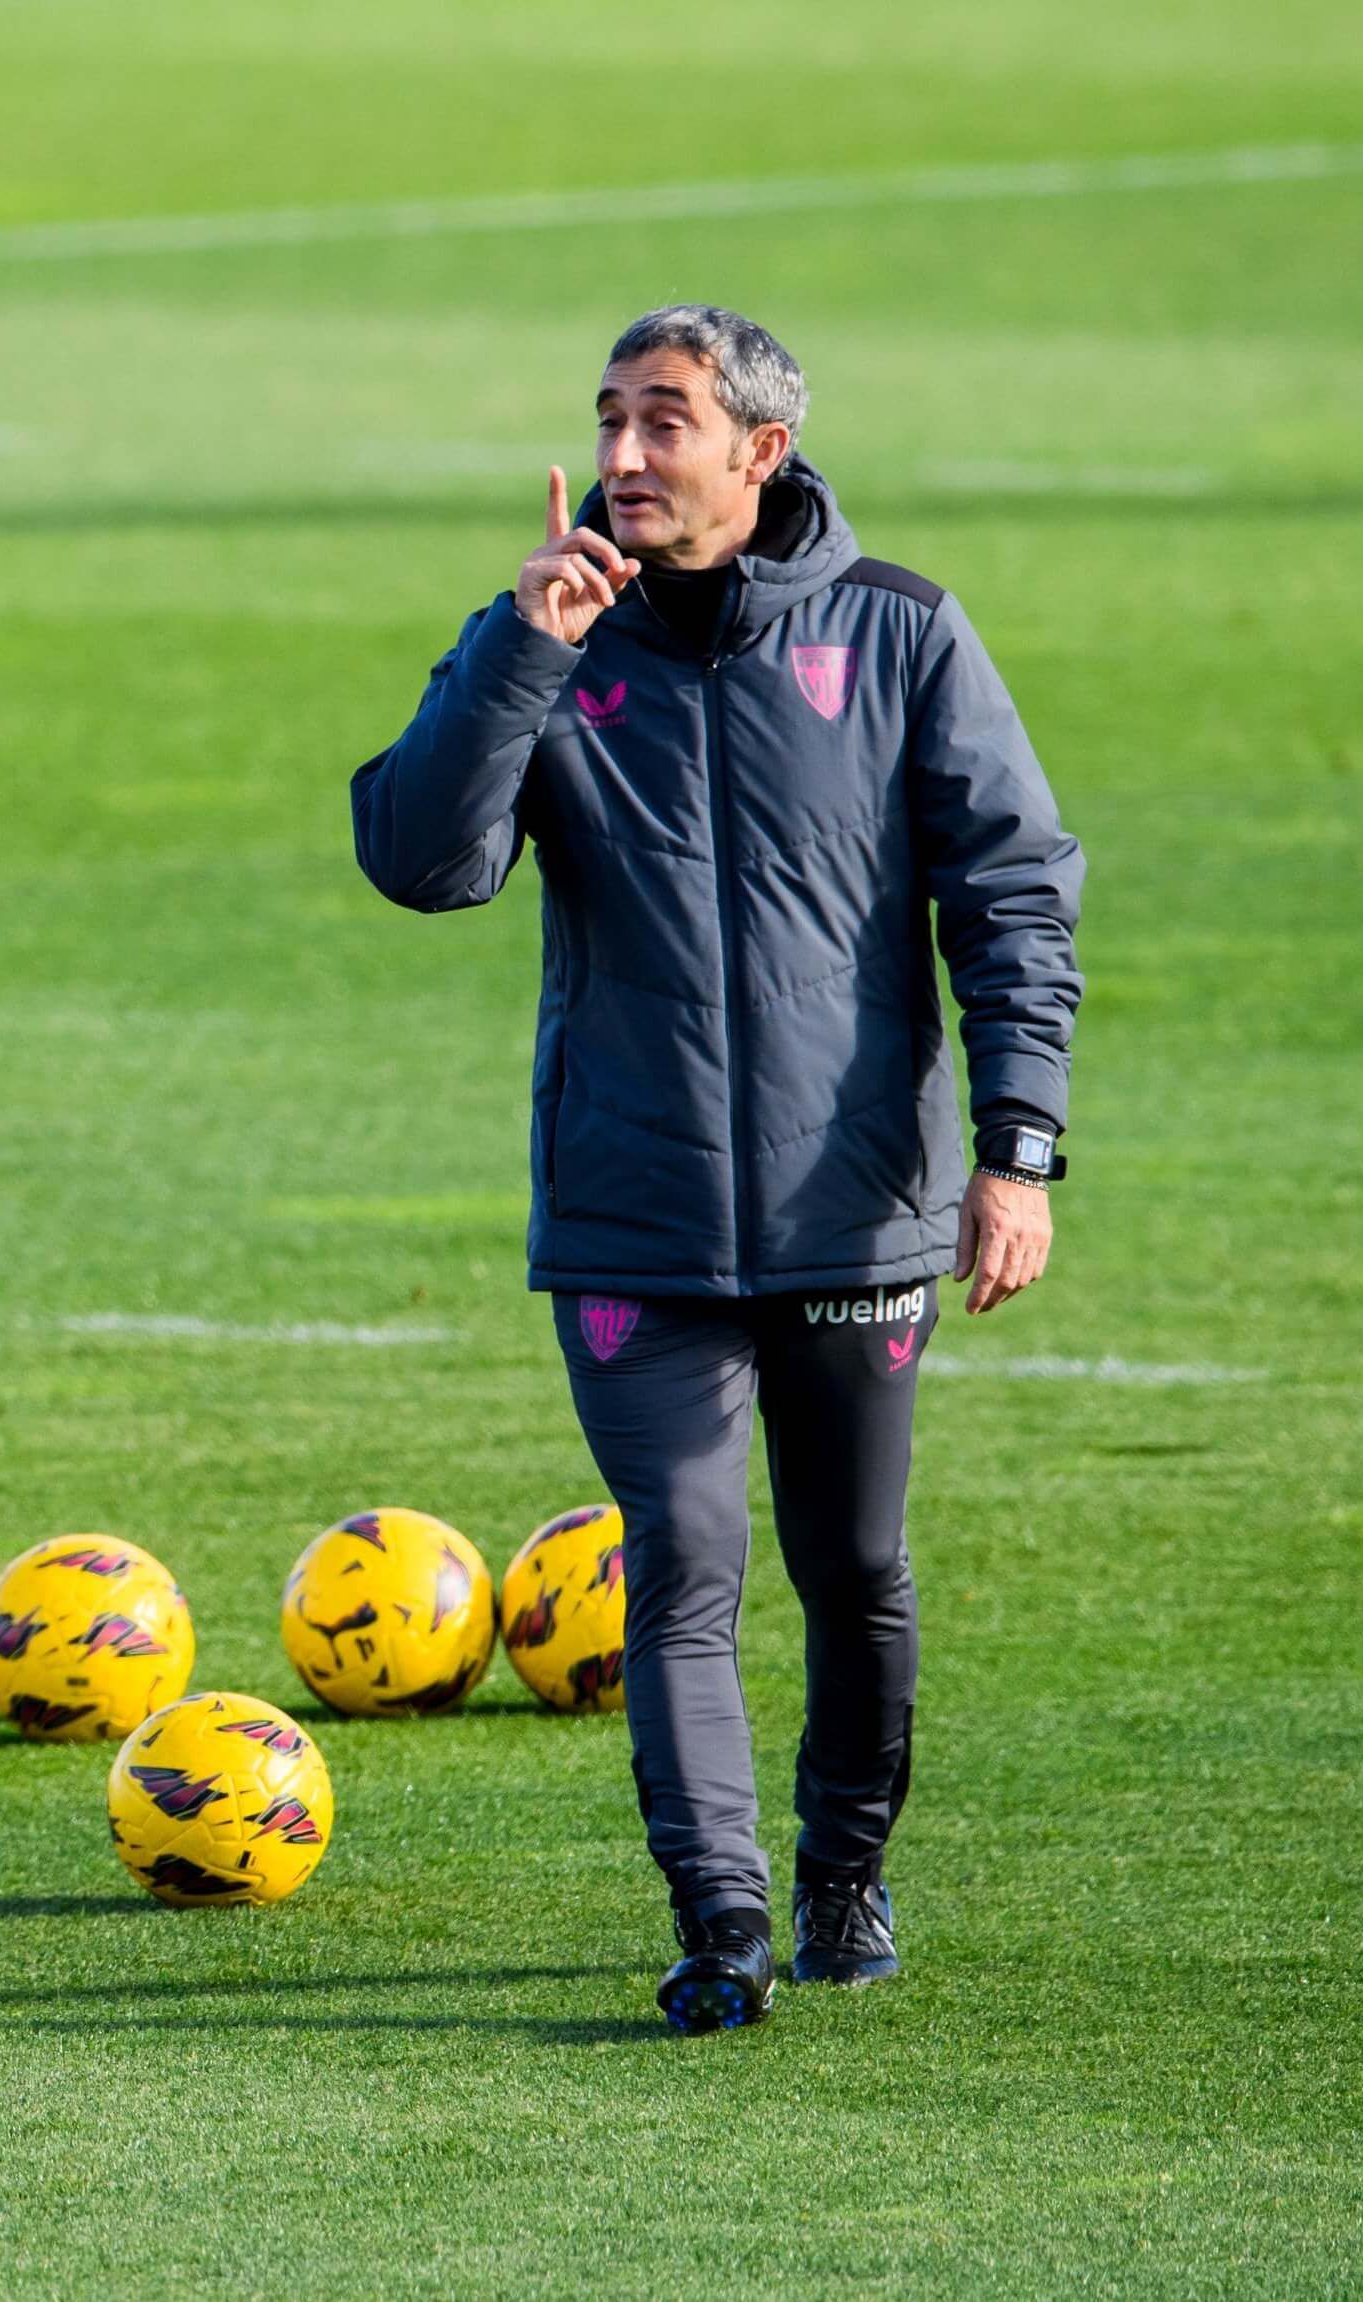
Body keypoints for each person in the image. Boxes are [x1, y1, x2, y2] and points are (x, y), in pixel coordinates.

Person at [351, 305, 1080, 2032]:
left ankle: (841, 1875)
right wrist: (520, 655)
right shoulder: (543, 636)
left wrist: (1016, 1149)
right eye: (608, 419)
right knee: (678, 1562)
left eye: (662, 422)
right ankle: (721, 1917)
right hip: (633, 1212)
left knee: (853, 1569)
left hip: (854, 1212)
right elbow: (419, 861)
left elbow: (1012, 890)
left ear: (759, 451)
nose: (621, 455)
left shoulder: (896, 633)